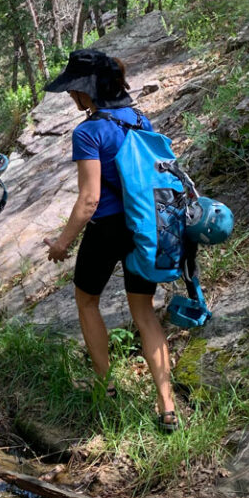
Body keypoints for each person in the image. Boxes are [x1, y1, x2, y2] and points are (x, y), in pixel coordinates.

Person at [42, 49, 178, 432]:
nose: (71, 97)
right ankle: (166, 406)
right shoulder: (140, 119)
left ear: (87, 91)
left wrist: (62, 244)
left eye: (73, 89)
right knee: (144, 310)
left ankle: (106, 387)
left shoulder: (88, 132)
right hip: (145, 227)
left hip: (107, 229)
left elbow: (89, 200)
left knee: (87, 300)